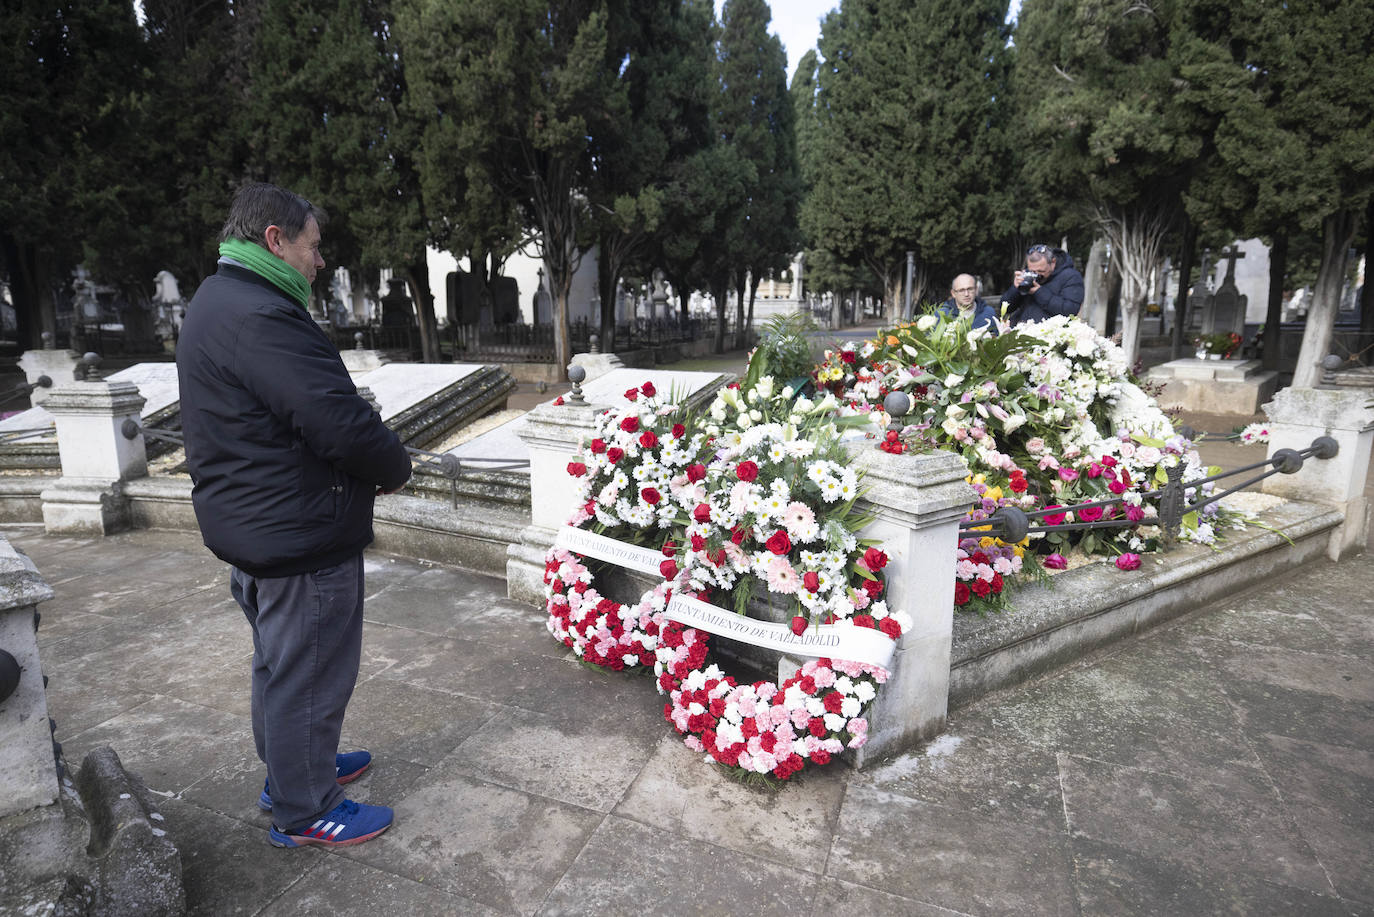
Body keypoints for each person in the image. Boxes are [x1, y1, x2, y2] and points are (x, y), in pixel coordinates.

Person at [176, 182, 412, 849]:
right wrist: (395, 468)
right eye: (312, 246)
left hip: (260, 527)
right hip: (298, 535)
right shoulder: (263, 316)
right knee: (308, 669)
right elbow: (336, 421)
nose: (318, 262)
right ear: (275, 240)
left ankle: (292, 768)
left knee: (281, 665)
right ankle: (304, 807)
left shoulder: (219, 300)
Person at [1000, 243, 1084, 325]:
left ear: (1053, 262)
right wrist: (1016, 288)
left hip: (1051, 332)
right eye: (1032, 271)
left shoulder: (1071, 277)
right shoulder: (1027, 275)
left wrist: (1039, 292)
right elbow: (1005, 309)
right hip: (1022, 328)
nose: (1037, 275)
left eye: (1041, 271)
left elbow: (1070, 311)